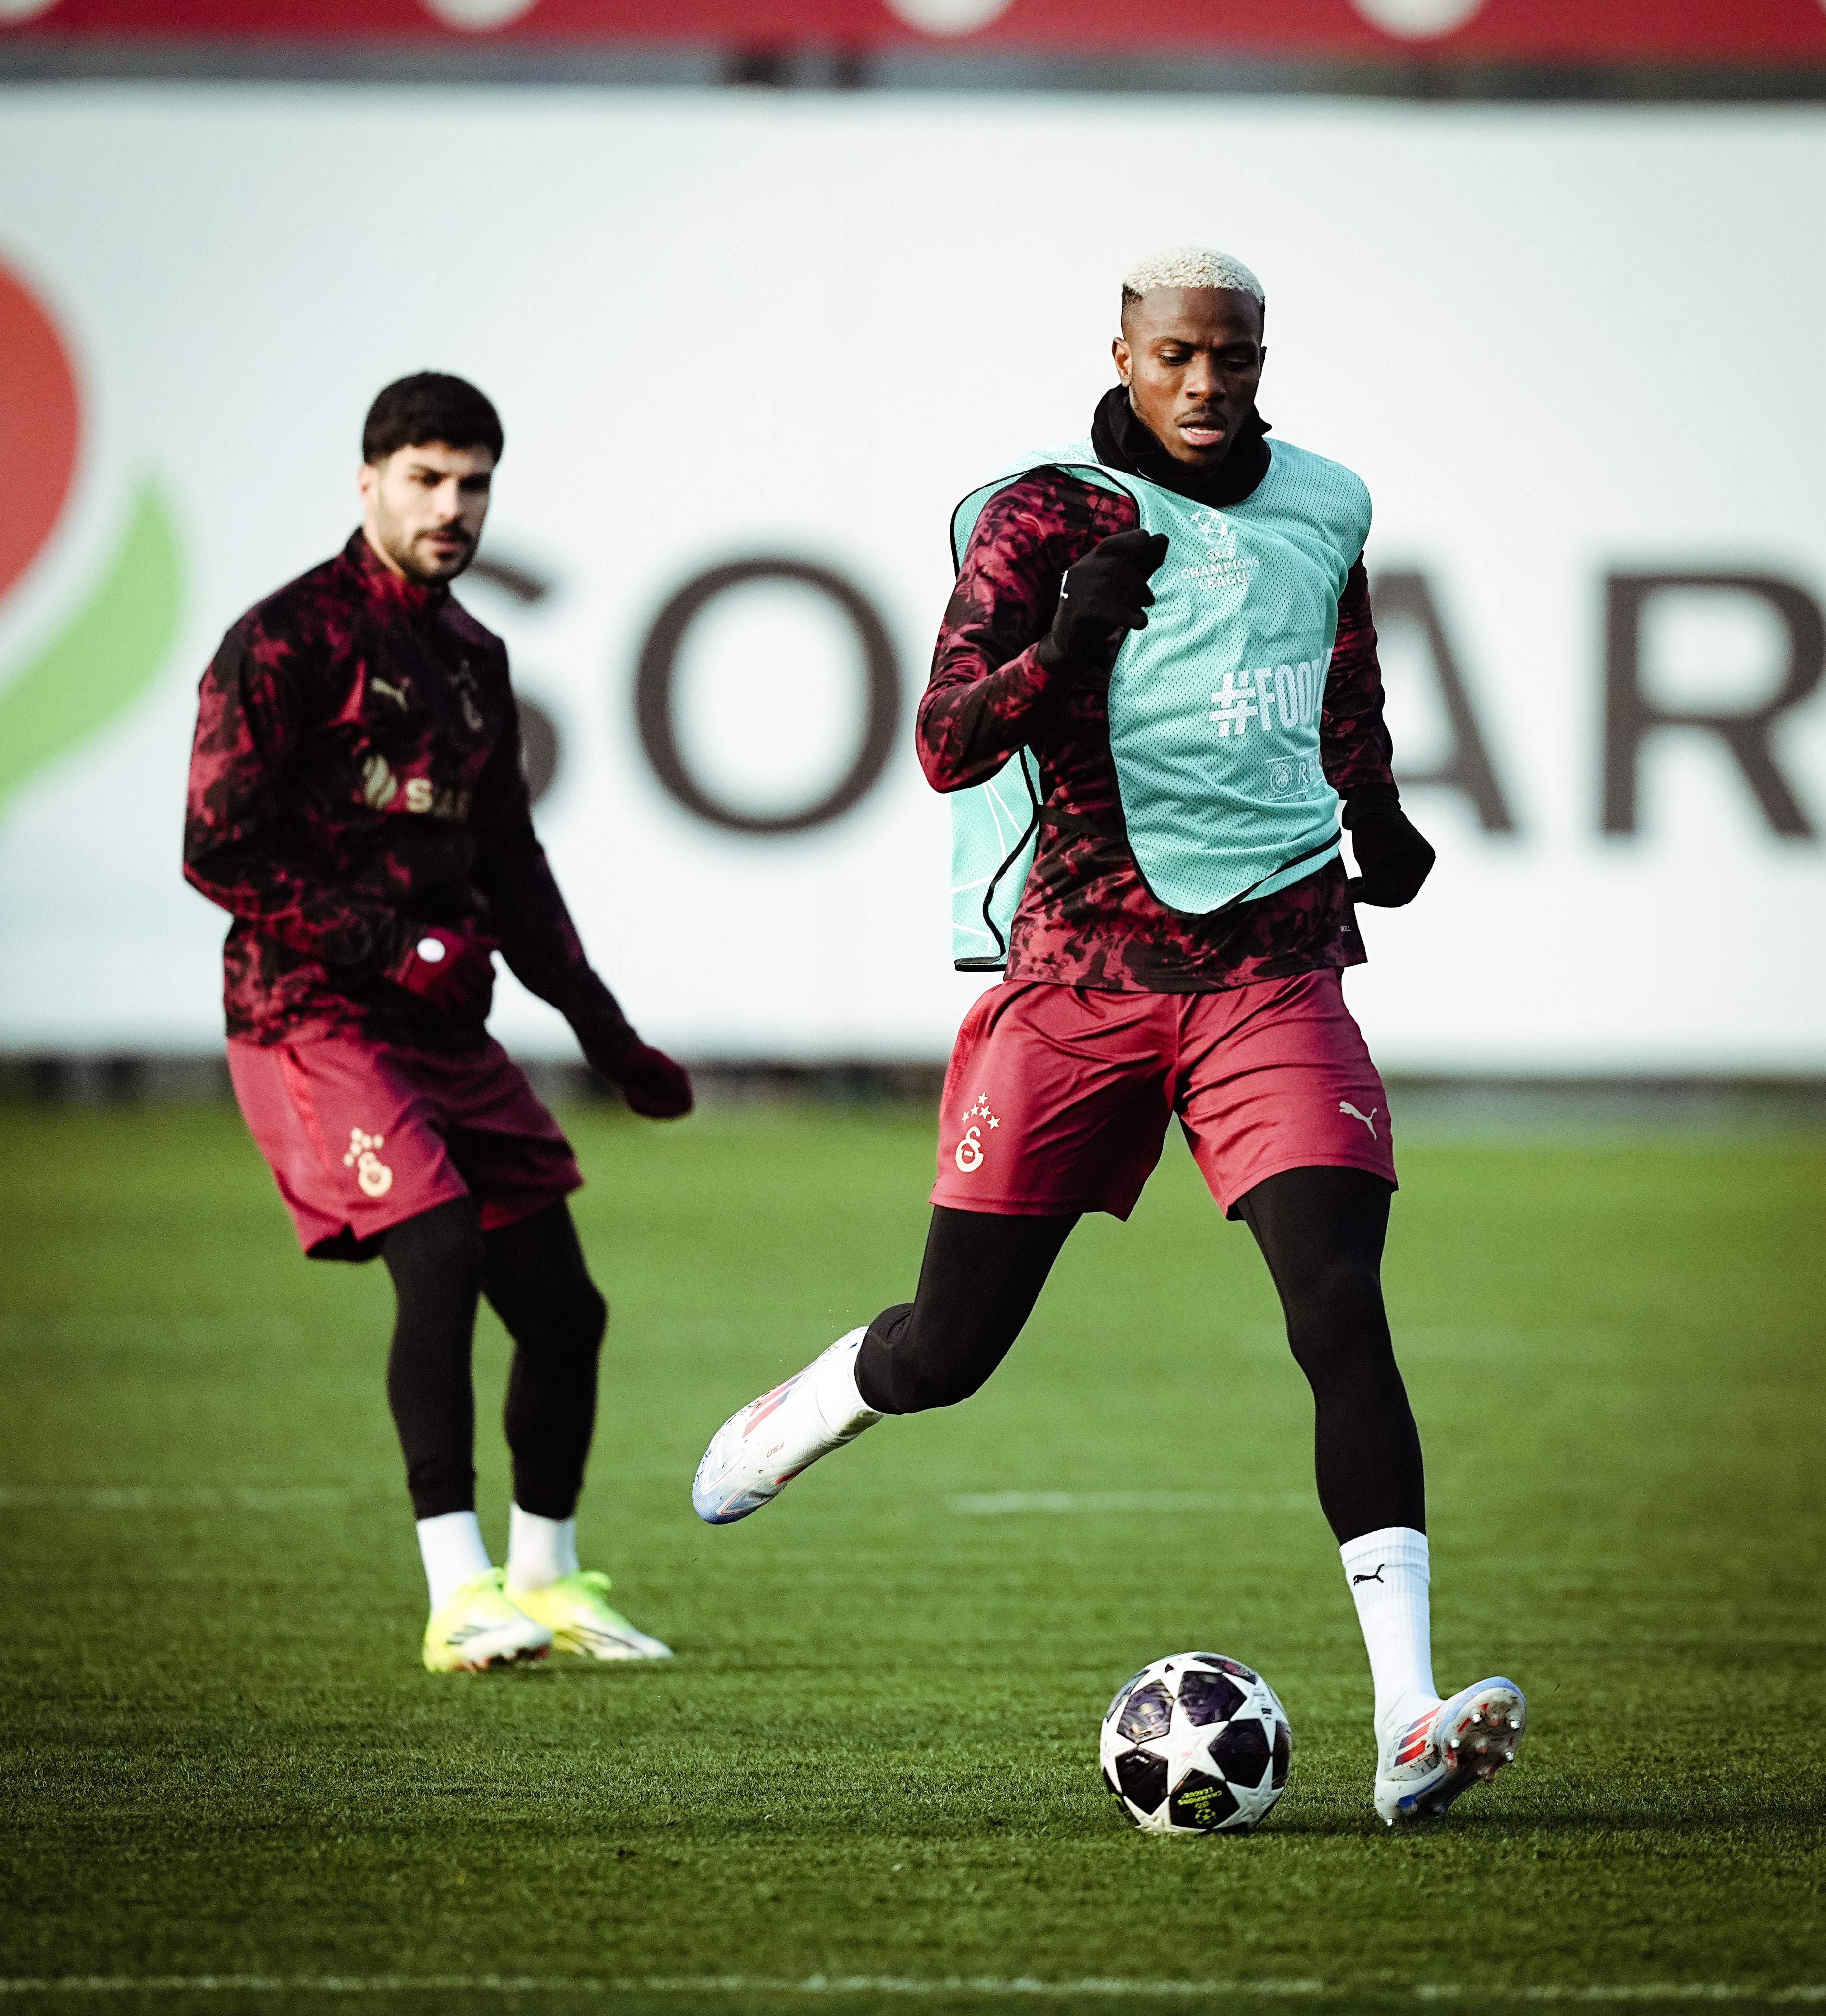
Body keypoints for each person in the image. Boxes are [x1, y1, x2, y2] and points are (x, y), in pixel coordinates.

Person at [693, 250, 1525, 1826]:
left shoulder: (1328, 503)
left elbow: (1341, 677)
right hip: (1079, 977)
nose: (1208, 384)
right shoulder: (1040, 516)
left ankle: (1407, 1719)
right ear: (1126, 356)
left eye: (1234, 356)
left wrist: (1379, 812)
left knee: (1340, 1305)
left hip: (1273, 963)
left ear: (1263, 357)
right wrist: (1063, 647)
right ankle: (815, 1405)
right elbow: (946, 743)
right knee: (950, 1352)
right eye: (1178, 357)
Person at [185, 372, 692, 1673]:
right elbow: (218, 846)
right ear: (369, 483)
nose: (451, 507)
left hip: (442, 1033)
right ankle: (458, 1590)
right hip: (309, 1015)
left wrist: (605, 1033)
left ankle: (548, 1581)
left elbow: (512, 865)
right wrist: (387, 942)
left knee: (566, 1311)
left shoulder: (474, 659)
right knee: (443, 1245)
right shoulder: (283, 640)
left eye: (473, 484)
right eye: (425, 479)